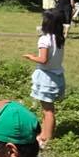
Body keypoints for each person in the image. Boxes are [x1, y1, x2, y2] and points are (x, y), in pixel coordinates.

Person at [23, 11, 65, 146]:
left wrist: (30, 57)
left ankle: (45, 138)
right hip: (57, 76)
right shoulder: (59, 38)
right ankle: (47, 131)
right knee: (48, 109)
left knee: (48, 111)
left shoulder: (44, 39)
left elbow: (43, 59)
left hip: (46, 79)